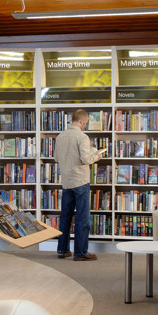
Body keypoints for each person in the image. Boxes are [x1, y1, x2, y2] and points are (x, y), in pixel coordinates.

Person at [54, 109, 102, 261]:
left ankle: (62, 250)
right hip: (80, 181)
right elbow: (85, 159)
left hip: (66, 181)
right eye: (85, 123)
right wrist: (97, 156)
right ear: (81, 121)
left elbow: (56, 158)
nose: (84, 126)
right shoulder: (82, 137)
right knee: (82, 218)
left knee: (65, 217)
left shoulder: (60, 137)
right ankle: (80, 253)